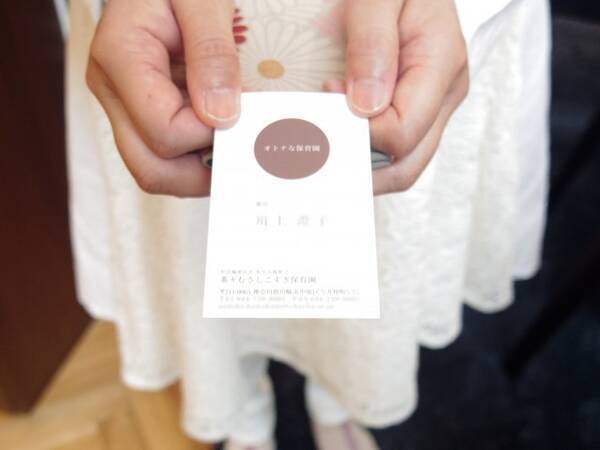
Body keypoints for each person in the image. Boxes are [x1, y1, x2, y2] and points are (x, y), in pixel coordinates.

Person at [67, 0, 551, 449]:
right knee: (197, 259)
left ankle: (337, 396)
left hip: (410, 33)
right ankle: (242, 412)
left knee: (368, 269)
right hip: (173, 46)